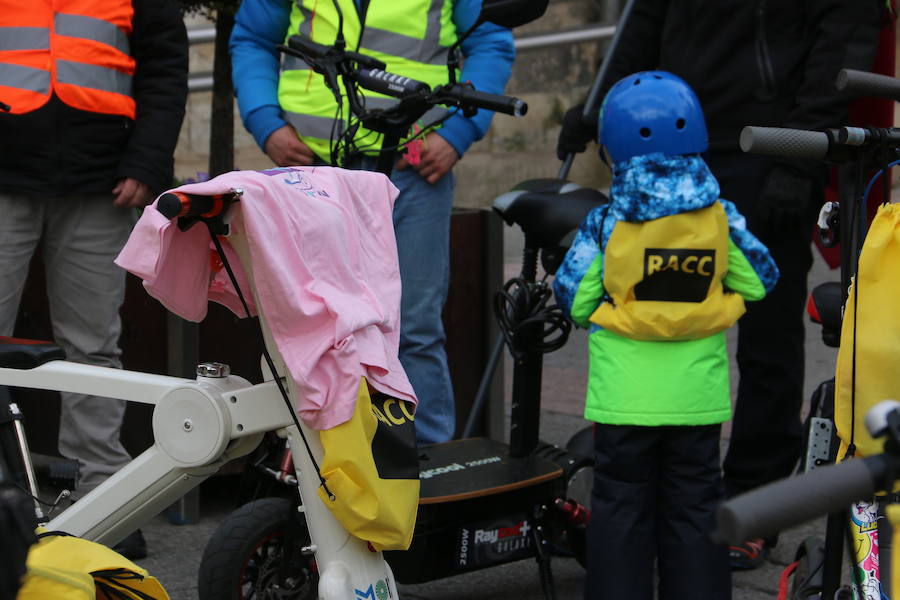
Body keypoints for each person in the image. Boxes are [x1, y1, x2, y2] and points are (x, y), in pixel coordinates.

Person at [556, 0, 884, 568]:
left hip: (771, 144)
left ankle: (751, 502)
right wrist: (602, 105)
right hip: (666, 138)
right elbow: (643, 19)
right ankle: (660, 491)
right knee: (654, 316)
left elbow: (845, 31)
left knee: (768, 334)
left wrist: (800, 155)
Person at [229, 0, 516, 445]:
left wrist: (456, 133)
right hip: (314, 166)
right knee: (312, 324)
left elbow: (491, 41)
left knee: (415, 324)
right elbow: (252, 39)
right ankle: (317, 467)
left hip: (413, 162)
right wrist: (266, 122)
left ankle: (427, 474)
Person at [553, 71, 778, 600]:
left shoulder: (606, 225)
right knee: (698, 505)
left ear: (612, 149)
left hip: (623, 399)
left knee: (619, 508)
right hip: (696, 400)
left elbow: (575, 299)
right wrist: (722, 300)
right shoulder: (721, 219)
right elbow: (761, 279)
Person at [0, 0, 189, 559]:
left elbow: (164, 66)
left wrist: (146, 161)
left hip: (101, 181)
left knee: (94, 351)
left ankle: (103, 500)